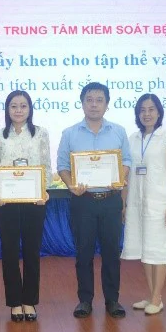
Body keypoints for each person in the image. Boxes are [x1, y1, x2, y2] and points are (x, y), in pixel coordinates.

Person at [57, 82, 132, 319]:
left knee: (111, 252)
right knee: (84, 252)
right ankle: (85, 300)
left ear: (107, 104)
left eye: (99, 100)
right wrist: (71, 185)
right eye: (89, 100)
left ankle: (112, 300)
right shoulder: (70, 133)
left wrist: (119, 177)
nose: (94, 104)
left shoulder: (119, 132)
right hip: (83, 201)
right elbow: (62, 166)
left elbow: (127, 161)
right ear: (82, 103)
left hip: (111, 200)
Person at [0, 90, 51, 322]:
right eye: (13, 106)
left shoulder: (41, 133)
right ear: (7, 109)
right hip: (7, 203)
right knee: (9, 253)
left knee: (32, 253)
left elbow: (46, 166)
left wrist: (42, 191)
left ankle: (29, 301)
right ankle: (15, 302)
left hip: (35, 202)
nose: (18, 110)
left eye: (23, 106)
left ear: (30, 109)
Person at [121, 93, 166, 315]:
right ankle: (151, 295)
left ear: (159, 112)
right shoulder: (133, 139)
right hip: (136, 203)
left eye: (151, 109)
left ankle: (157, 297)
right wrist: (124, 204)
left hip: (159, 203)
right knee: (144, 249)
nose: (146, 114)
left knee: (158, 250)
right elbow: (126, 174)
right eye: (142, 110)